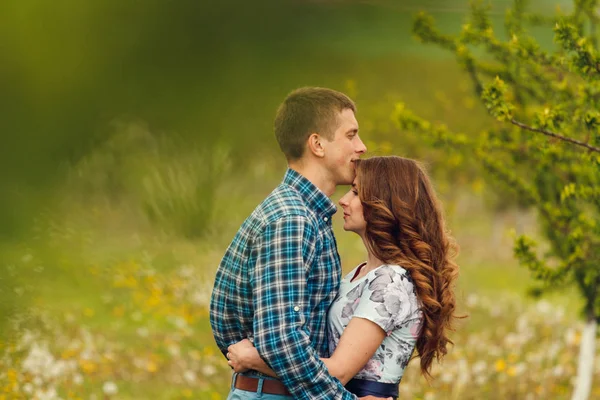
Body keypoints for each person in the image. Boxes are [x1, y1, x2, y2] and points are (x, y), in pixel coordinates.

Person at [226, 156, 460, 399]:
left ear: (386, 203)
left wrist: (255, 360)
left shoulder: (390, 282)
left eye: (356, 193)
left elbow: (338, 372)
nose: (344, 200)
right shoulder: (361, 273)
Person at [210, 87, 390, 400]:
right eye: (351, 135)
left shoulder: (307, 215)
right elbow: (281, 337)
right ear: (317, 144)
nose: (362, 147)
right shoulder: (291, 219)